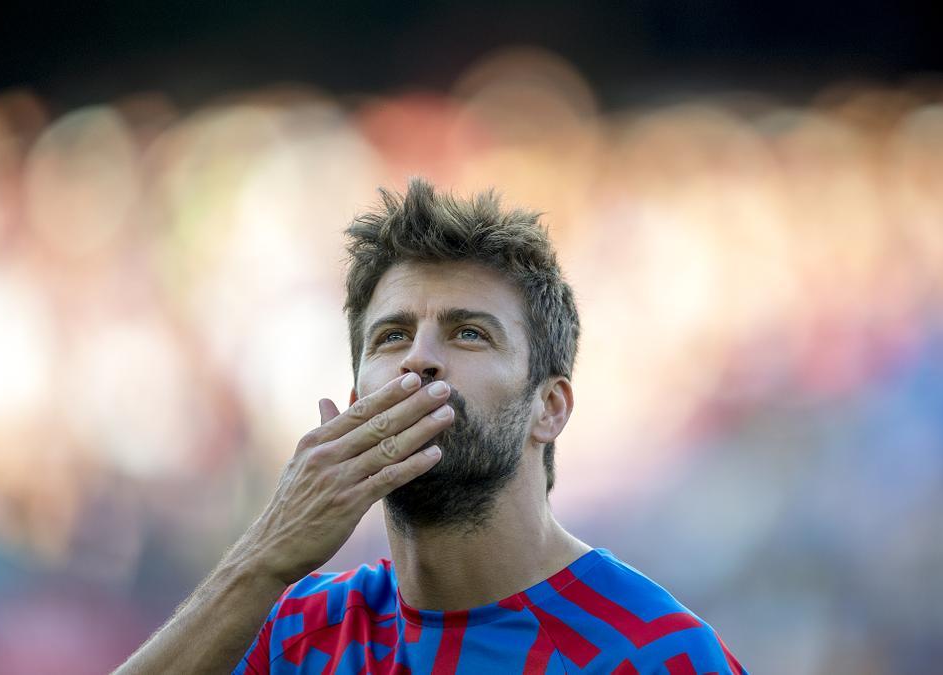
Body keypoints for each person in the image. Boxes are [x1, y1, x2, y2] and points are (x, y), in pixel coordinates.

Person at [115, 179, 745, 674]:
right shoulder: (290, 633)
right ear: (360, 397)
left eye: (469, 332)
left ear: (549, 407)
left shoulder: (653, 654)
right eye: (393, 336)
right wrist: (260, 561)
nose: (419, 357)